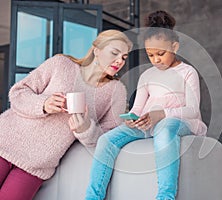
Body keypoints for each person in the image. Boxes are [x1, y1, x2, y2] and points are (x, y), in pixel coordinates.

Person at [85, 10, 207, 200]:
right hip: (148, 124)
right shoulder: (147, 75)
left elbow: (192, 110)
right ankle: (93, 197)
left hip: (178, 122)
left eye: (161, 53)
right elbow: (137, 108)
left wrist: (162, 114)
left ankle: (165, 196)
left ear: (174, 46)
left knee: (165, 128)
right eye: (150, 55)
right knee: (106, 141)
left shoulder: (187, 72)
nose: (156, 59)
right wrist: (132, 119)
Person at [0, 29, 132, 200]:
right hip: (4, 142)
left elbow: (110, 137)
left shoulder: (116, 91)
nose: (119, 61)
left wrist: (86, 129)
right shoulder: (60, 64)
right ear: (97, 50)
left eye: (124, 57)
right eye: (115, 53)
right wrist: (44, 104)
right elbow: (18, 93)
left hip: (36, 166)